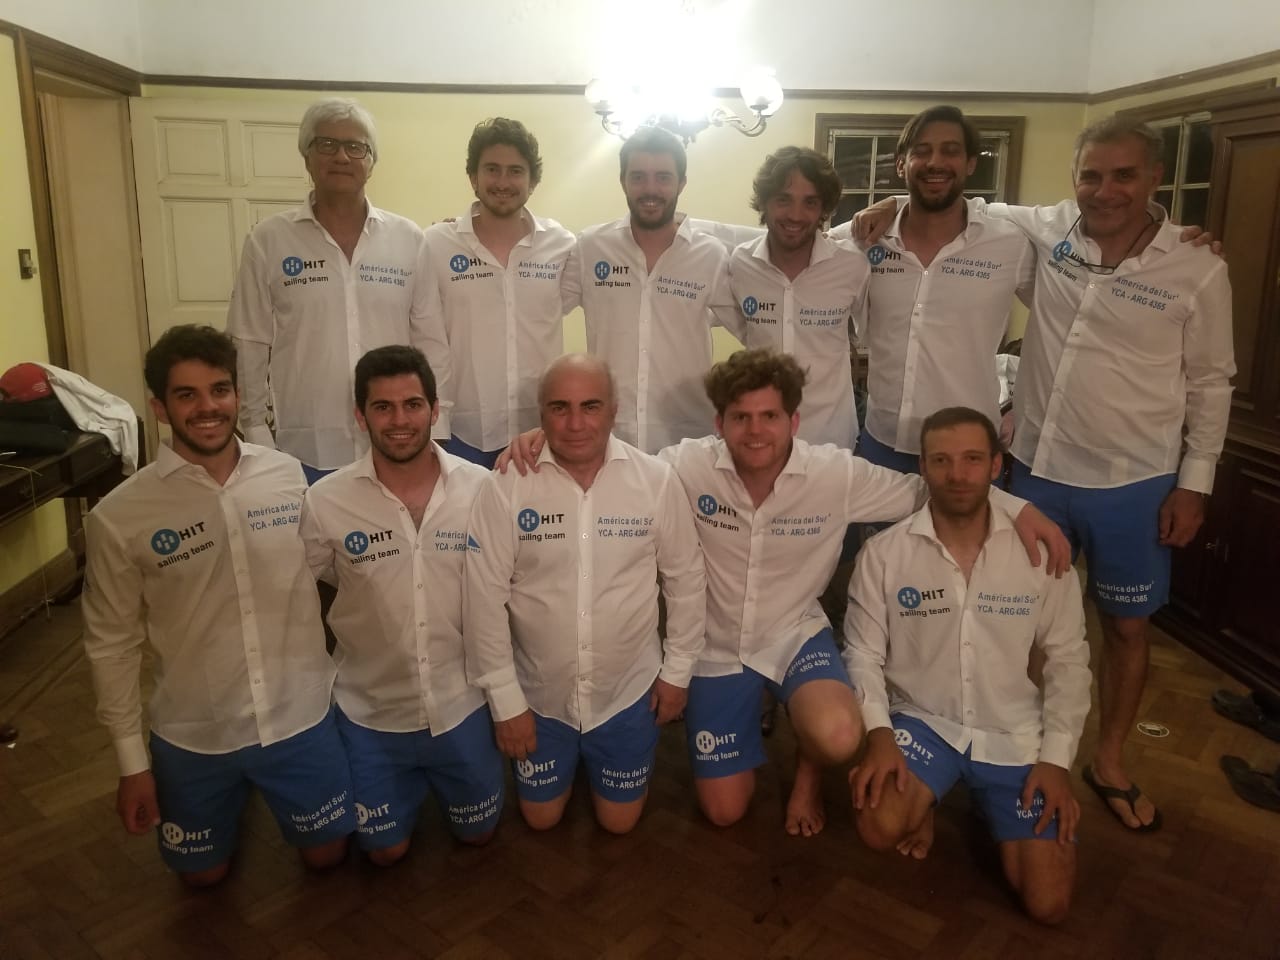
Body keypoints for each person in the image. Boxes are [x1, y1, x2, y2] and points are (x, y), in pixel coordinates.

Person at [498, 349, 1071, 836]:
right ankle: (749, 717)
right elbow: (607, 459)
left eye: (770, 416)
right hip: (717, 648)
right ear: (719, 423)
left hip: (794, 636)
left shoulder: (835, 476)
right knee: (724, 812)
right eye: (741, 417)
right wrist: (544, 442)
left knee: (839, 733)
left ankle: (806, 777)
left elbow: (933, 488)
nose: (755, 431)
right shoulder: (684, 468)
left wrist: (1015, 505)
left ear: (794, 420)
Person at [853, 116, 1235, 832]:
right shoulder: (1046, 229)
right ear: (1074, 178)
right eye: (1091, 175)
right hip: (1035, 467)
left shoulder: (1196, 264)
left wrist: (1196, 480)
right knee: (1014, 616)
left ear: (1154, 179)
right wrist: (885, 202)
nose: (1106, 190)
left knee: (1125, 628)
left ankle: (1108, 762)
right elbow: (945, 197)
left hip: (1134, 479)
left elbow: (1213, 381)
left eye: (1124, 175)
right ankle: (1004, 749)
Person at [81, 325, 354, 886]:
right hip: (195, 730)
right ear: (160, 407)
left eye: (220, 390)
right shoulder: (118, 516)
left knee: (328, 856)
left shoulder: (286, 475)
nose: (208, 407)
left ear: (237, 394)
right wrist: (132, 764)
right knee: (202, 879)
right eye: (187, 395)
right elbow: (111, 645)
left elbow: (335, 566)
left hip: (297, 714)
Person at [844, 406, 1090, 925]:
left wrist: (1056, 761)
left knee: (1049, 903)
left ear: (996, 466)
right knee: (878, 825)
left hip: (1012, 734)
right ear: (923, 467)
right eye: (941, 460)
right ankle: (928, 801)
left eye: (973, 459)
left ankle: (985, 802)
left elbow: (1068, 661)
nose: (957, 474)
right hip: (925, 722)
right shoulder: (884, 555)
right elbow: (862, 655)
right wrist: (879, 734)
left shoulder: (1041, 552)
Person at [464, 354, 706, 834]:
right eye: (560, 408)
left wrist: (678, 673)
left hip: (627, 694)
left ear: (614, 410)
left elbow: (686, 578)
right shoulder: (507, 485)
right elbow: (483, 599)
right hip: (540, 697)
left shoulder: (655, 481)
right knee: (541, 819)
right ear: (541, 414)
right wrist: (507, 703)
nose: (575, 424)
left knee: (619, 824)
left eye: (590, 406)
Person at [299, 345, 504, 864]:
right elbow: (308, 585)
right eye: (382, 407)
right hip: (370, 709)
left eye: (412, 405)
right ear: (360, 415)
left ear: (434, 410)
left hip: (461, 703)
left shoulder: (482, 488)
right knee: (385, 852)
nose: (399, 421)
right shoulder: (325, 501)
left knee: (479, 835)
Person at [227, 97, 450, 482]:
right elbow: (249, 340)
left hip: (394, 441)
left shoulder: (408, 239)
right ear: (307, 157)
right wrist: (255, 428)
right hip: (304, 446)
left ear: (372, 161)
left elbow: (431, 340)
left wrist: (435, 424)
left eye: (355, 147)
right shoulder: (268, 240)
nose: (342, 156)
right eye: (327, 144)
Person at [830, 106, 1035, 472]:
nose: (935, 162)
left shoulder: (1010, 244)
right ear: (901, 165)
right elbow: (795, 250)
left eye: (950, 151)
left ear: (970, 164)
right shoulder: (863, 238)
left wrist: (1027, 406)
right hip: (881, 444)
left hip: (967, 453)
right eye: (922, 151)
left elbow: (1061, 319)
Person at [561, 126, 739, 454]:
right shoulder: (591, 247)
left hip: (687, 439)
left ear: (681, 183)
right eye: (639, 177)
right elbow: (537, 304)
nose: (650, 189)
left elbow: (755, 329)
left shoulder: (710, 255)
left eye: (663, 177)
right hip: (609, 438)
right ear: (623, 181)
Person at [421, 118, 576, 467]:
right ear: (473, 177)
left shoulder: (562, 246)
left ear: (532, 181)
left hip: (540, 433)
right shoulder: (434, 245)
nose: (503, 182)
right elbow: (427, 338)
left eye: (515, 171)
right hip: (461, 434)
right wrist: (436, 428)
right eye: (492, 169)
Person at [726, 146, 866, 450]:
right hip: (762, 437)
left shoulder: (851, 265)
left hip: (831, 439)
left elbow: (875, 333)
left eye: (810, 202)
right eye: (783, 200)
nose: (795, 215)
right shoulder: (741, 263)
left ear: (823, 208)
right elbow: (747, 331)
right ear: (764, 202)